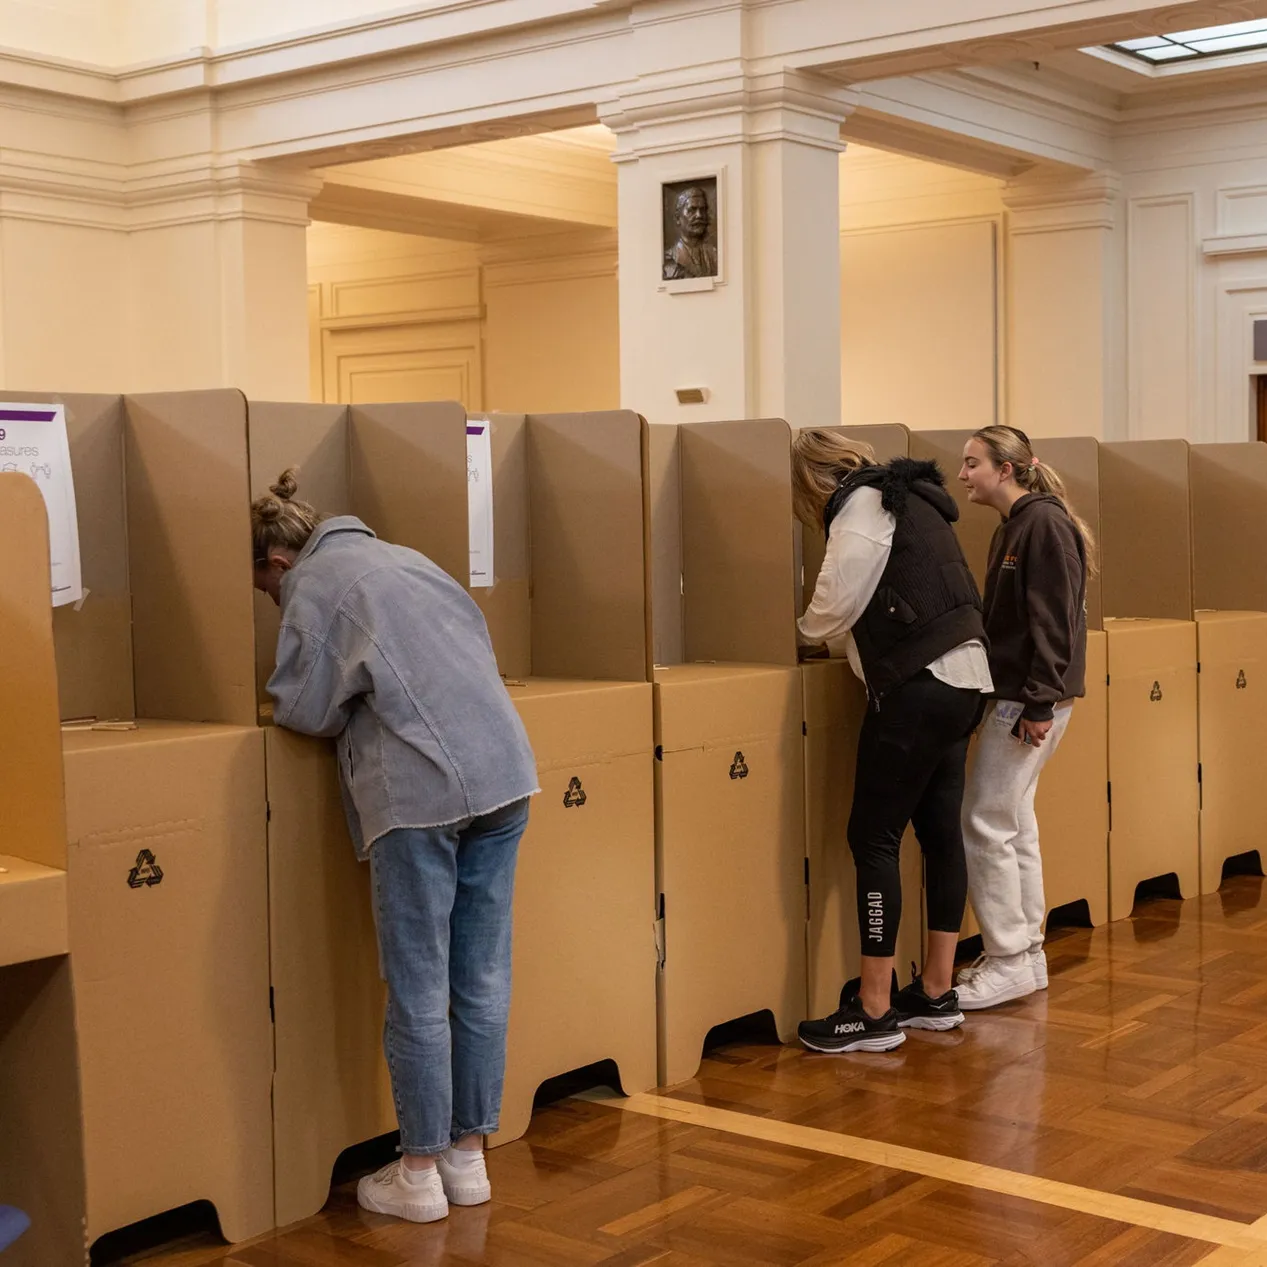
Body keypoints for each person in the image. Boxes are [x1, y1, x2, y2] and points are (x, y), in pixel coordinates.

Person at [252, 470, 539, 1224]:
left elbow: (304, 708)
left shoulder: (315, 582)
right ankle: (467, 1158)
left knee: (417, 982)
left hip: (423, 792)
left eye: (264, 592)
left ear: (278, 564)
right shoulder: (410, 558)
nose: (273, 605)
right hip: (505, 772)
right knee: (479, 976)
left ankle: (415, 1170)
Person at [792, 430, 992, 1054]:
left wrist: (796, 634)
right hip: (967, 678)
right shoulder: (914, 498)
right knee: (939, 835)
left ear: (816, 480)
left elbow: (833, 604)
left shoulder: (863, 504)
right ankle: (934, 991)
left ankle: (874, 1008)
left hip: (920, 683)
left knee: (872, 836)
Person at [954, 426, 1092, 1010]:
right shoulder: (1015, 526)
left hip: (1029, 699)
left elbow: (1056, 622)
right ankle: (1025, 954)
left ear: (1006, 469)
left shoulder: (1043, 524)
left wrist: (1037, 701)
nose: (963, 476)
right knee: (1015, 821)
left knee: (985, 820)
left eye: (971, 464)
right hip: (1022, 695)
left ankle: (1009, 956)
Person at [663, 185, 718, 280]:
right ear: (677, 218)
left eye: (703, 210)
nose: (699, 215)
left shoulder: (715, 254)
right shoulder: (669, 259)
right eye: (691, 210)